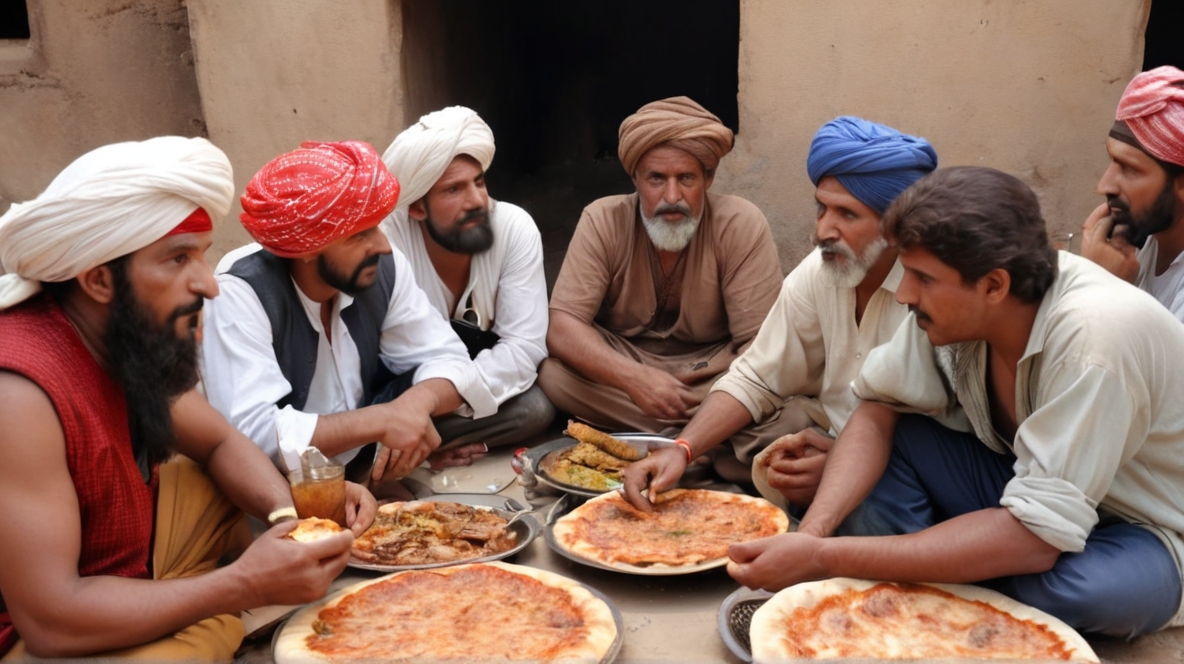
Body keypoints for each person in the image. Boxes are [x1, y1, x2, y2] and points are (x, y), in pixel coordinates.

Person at [728, 166, 1184, 639]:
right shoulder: (953, 310)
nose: (904, 294)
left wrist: (824, 558)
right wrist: (813, 534)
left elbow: (1036, 538)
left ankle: (952, 566)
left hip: (1142, 526)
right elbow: (876, 412)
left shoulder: (1093, 339)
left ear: (993, 286)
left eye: (923, 278)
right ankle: (951, 563)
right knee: (882, 450)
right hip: (1024, 489)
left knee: (1075, 591)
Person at [0, 137, 375, 659]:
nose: (209, 285)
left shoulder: (121, 336)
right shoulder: (18, 393)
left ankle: (202, 612)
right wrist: (244, 585)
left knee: (213, 477)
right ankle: (218, 617)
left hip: (124, 566)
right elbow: (49, 620)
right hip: (39, 633)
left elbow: (221, 442)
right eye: (177, 260)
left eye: (202, 256)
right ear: (99, 279)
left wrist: (294, 518)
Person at [622, 116, 938, 511]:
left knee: (865, 510)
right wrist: (682, 449)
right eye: (822, 209)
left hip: (906, 461)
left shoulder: (935, 294)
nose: (824, 230)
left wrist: (841, 464)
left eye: (847, 215)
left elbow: (933, 430)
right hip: (829, 436)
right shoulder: (821, 269)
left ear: (897, 225)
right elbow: (758, 375)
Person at [201, 141, 496, 489]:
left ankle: (383, 466)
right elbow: (254, 434)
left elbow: (451, 358)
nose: (383, 246)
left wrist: (417, 406)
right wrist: (383, 420)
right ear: (306, 248)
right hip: (284, 482)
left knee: (528, 408)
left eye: (378, 226)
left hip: (366, 449)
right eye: (360, 235)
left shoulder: (382, 267)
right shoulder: (240, 293)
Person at [538, 96, 785, 474]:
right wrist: (635, 379)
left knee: (790, 405)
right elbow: (563, 326)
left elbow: (761, 349)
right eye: (656, 179)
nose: (672, 197)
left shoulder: (740, 223)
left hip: (710, 377)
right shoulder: (603, 219)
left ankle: (663, 441)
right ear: (635, 178)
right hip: (624, 375)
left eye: (686, 178)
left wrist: (712, 393)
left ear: (708, 179)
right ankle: (706, 446)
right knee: (552, 375)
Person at [380, 106, 554, 458]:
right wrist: (411, 406)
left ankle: (412, 446)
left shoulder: (513, 228)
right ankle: (409, 444)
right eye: (453, 190)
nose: (477, 201)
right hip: (398, 389)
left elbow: (523, 348)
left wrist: (436, 400)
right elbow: (384, 356)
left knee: (535, 408)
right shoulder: (388, 240)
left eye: (479, 182)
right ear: (417, 208)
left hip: (440, 401)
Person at [1081, 65, 1184, 322]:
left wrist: (1103, 287)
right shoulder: (1144, 242)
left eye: (1129, 169)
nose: (1105, 186)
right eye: (1112, 161)